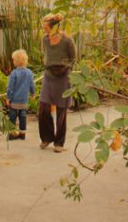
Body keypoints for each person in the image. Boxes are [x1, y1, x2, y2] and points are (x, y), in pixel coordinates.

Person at [38, 13, 76, 152]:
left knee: (61, 110)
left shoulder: (67, 40)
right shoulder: (45, 39)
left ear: (53, 27)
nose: (44, 30)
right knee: (43, 107)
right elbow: (46, 55)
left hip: (63, 76)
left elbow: (73, 59)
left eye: (45, 27)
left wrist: (66, 72)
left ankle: (59, 143)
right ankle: (47, 137)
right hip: (48, 75)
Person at [6, 48, 36, 141]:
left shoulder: (14, 73)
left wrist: (8, 98)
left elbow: (10, 87)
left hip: (14, 101)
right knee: (23, 116)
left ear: (16, 61)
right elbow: (32, 84)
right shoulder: (29, 73)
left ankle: (12, 134)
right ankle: (22, 134)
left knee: (12, 117)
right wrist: (33, 93)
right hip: (23, 101)